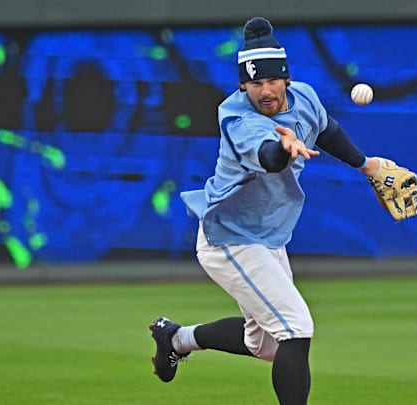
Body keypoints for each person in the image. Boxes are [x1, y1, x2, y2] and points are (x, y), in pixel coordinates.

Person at [148, 17, 384, 405]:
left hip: (269, 235)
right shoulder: (238, 116)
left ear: (285, 78)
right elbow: (267, 156)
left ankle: (176, 338)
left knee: (266, 345)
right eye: (255, 83)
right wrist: (284, 148)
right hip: (230, 237)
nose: (265, 91)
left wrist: (366, 165)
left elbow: (326, 130)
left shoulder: (305, 97)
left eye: (272, 81)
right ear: (243, 85)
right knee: (295, 327)